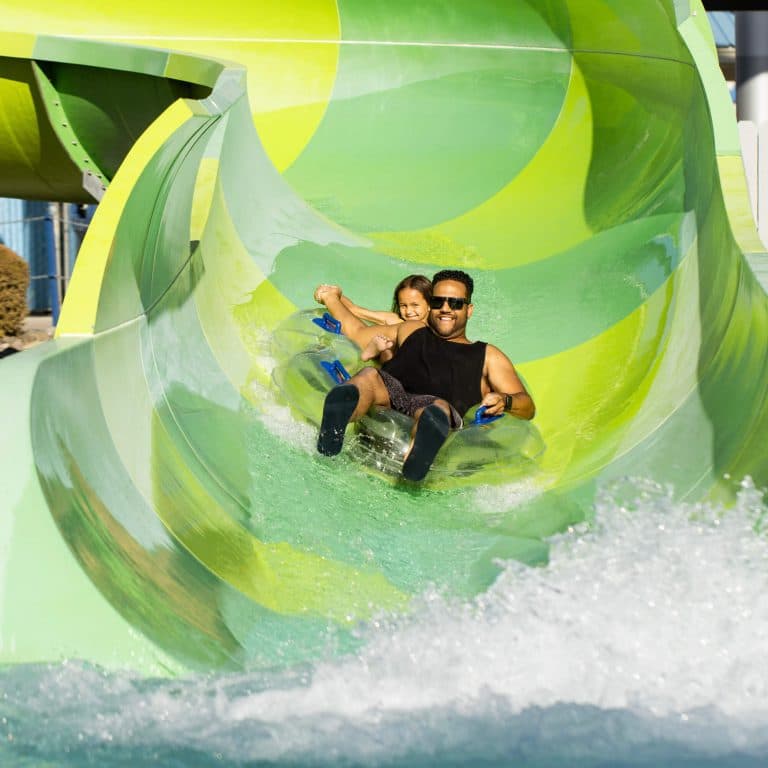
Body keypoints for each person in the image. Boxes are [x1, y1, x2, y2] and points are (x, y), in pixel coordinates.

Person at [315, 269, 535, 481]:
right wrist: (330, 298)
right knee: (368, 377)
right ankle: (334, 428)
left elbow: (527, 406)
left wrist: (505, 400)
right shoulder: (410, 329)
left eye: (455, 303)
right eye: (438, 302)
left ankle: (419, 455)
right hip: (391, 391)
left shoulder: (488, 355)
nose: (445, 308)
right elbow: (358, 333)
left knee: (437, 411)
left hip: (433, 405)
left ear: (469, 310)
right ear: (430, 305)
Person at [314, 274, 431, 362]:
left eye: (415, 305)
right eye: (403, 306)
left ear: (430, 304)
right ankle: (329, 296)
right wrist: (335, 294)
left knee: (384, 349)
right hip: (379, 349)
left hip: (389, 357)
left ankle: (381, 351)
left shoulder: (429, 330)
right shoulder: (396, 319)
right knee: (360, 334)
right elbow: (356, 310)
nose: (409, 311)